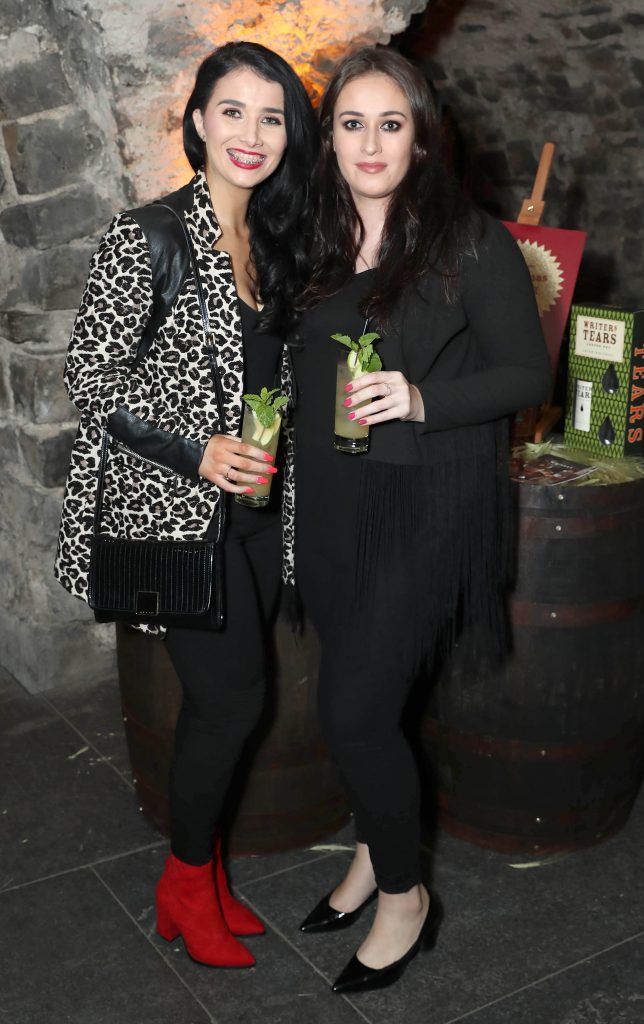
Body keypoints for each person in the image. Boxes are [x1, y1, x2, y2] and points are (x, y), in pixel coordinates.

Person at [291, 46, 551, 993]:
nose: (370, 143)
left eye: (389, 124)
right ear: (329, 140)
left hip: (425, 503)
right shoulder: (311, 235)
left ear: (420, 135)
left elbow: (529, 372)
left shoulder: (467, 240)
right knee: (367, 701)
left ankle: (405, 896)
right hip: (326, 500)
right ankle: (372, 850)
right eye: (351, 124)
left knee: (354, 712)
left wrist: (421, 396)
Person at [54, 41, 316, 968]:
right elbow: (91, 377)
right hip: (174, 515)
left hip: (251, 511)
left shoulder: (269, 239)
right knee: (231, 700)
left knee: (235, 702)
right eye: (232, 111)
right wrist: (196, 448)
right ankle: (182, 877)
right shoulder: (150, 233)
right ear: (197, 121)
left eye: (272, 116)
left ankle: (202, 879)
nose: (251, 134)